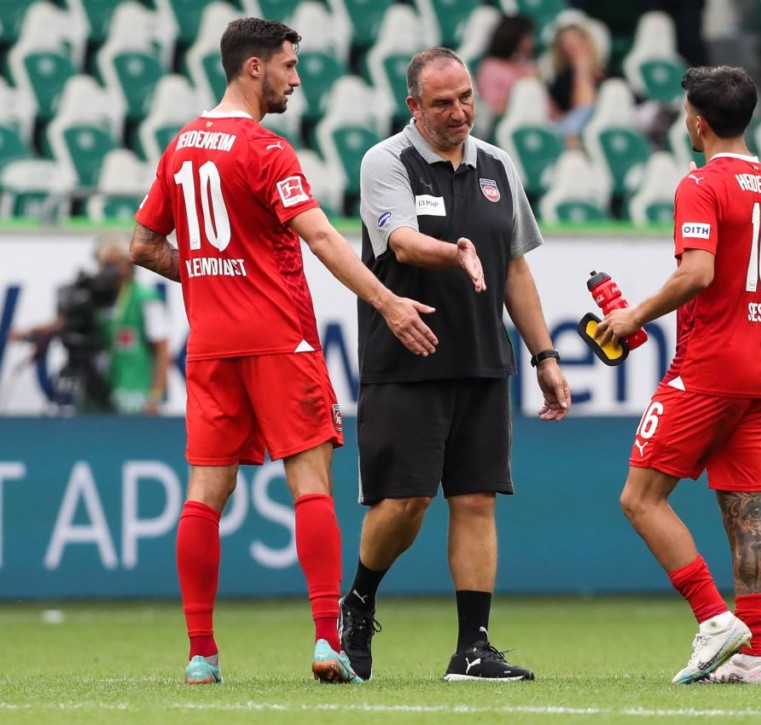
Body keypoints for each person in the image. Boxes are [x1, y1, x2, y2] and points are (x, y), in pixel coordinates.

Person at [129, 17, 439, 686]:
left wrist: (214, 273)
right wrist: (386, 301)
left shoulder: (180, 146)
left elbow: (143, 246)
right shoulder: (265, 149)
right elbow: (325, 240)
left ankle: (201, 655)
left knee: (203, 495)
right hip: (278, 340)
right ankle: (329, 641)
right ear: (253, 68)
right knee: (310, 484)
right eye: (289, 66)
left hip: (211, 347)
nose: (297, 79)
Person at [341, 46, 571, 683]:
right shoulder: (386, 161)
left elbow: (517, 267)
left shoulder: (498, 163)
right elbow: (399, 239)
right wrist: (455, 251)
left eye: (466, 97)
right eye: (442, 102)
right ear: (414, 106)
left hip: (482, 362)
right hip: (407, 357)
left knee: (476, 502)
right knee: (405, 504)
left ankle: (473, 649)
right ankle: (359, 602)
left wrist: (544, 355)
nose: (459, 111)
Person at [595, 65, 761, 686]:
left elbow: (698, 272)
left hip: (709, 367)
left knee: (639, 498)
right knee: (745, 513)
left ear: (697, 122)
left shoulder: (700, 184)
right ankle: (752, 656)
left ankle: (713, 621)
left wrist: (632, 316)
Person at [8, 231, 170, 415]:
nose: (110, 269)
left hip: (134, 393)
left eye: (116, 263)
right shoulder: (94, 296)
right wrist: (29, 332)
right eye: (105, 263)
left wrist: (155, 396)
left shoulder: (146, 299)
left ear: (129, 265)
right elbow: (65, 322)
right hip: (97, 388)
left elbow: (162, 351)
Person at [548, 23, 604, 147]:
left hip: (601, 122)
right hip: (569, 126)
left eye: (574, 41)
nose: (569, 46)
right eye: (564, 43)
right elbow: (582, 105)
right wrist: (581, 70)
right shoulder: (561, 77)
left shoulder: (606, 72)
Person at [475, 14, 540, 116]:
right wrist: (520, 91)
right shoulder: (491, 68)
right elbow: (492, 108)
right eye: (528, 37)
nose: (532, 42)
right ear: (516, 38)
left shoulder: (528, 66)